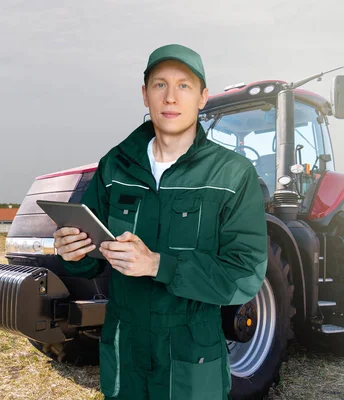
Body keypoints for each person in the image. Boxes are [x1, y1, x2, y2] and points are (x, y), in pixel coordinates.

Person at [53, 44, 267, 400]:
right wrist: (73, 252)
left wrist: (157, 264)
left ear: (202, 98)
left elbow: (244, 274)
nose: (170, 97)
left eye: (184, 86)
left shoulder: (232, 174)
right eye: (159, 85)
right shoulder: (115, 166)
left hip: (191, 357)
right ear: (144, 95)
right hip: (126, 353)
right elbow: (92, 254)